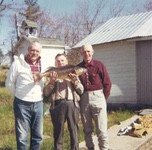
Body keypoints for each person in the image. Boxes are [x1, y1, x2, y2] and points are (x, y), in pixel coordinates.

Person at [5, 41, 44, 150]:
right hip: (21, 104)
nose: (34, 53)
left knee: (38, 135)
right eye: (32, 50)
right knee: (22, 137)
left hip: (38, 103)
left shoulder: (43, 64)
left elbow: (44, 83)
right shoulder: (18, 63)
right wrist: (18, 95)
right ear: (28, 50)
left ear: (40, 52)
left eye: (37, 51)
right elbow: (9, 83)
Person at [43, 53, 84, 150]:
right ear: (55, 63)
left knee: (74, 131)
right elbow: (45, 93)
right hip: (57, 105)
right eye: (58, 61)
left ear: (67, 62)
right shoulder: (51, 74)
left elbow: (81, 90)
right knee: (58, 132)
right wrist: (52, 82)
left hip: (72, 104)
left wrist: (75, 81)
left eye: (62, 60)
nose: (60, 62)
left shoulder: (74, 73)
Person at [78, 43, 112, 150]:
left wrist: (102, 99)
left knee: (101, 130)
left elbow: (107, 83)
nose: (86, 54)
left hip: (98, 97)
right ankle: (90, 148)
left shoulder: (99, 65)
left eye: (88, 51)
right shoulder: (78, 67)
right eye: (84, 52)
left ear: (92, 52)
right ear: (81, 53)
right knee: (87, 130)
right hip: (84, 99)